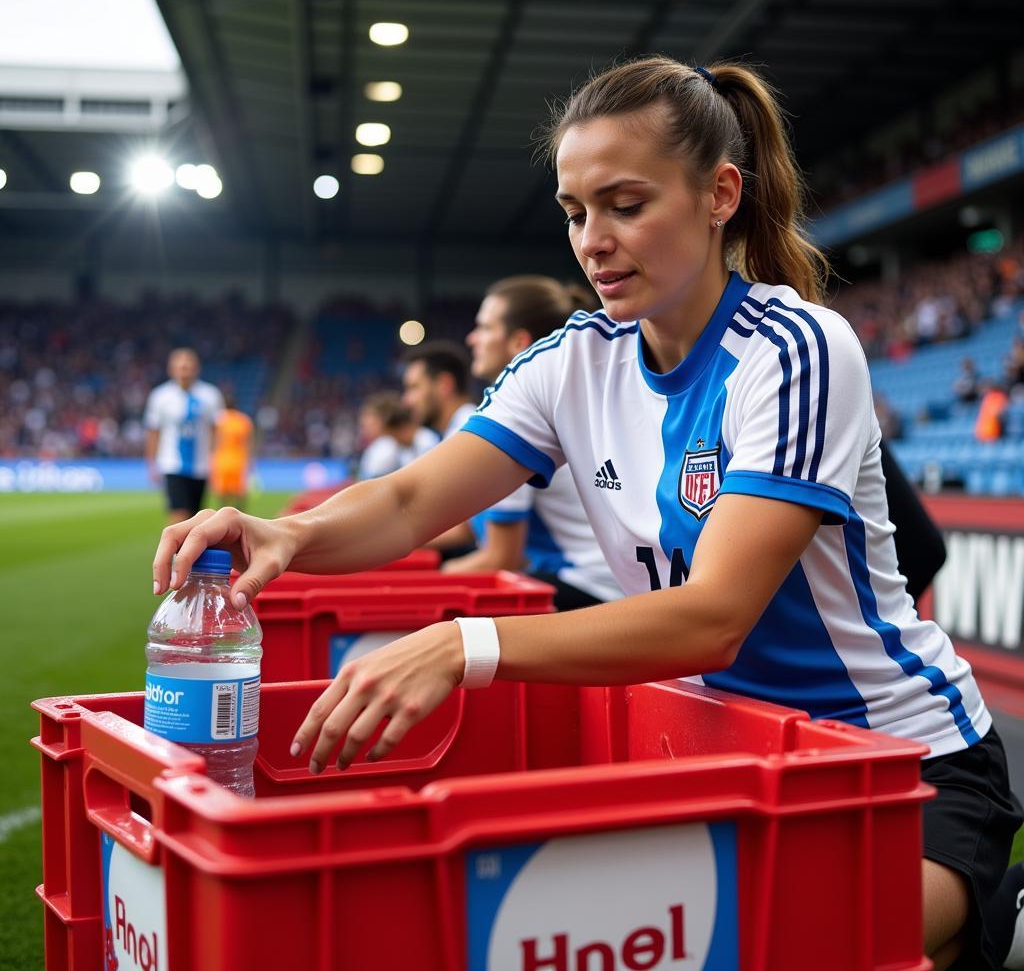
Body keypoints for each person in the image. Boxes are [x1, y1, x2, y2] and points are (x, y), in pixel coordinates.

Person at [153, 57, 1020, 970]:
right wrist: (287, 534)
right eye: (574, 212)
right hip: (713, 754)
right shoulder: (574, 358)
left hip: (898, 771)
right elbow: (413, 497)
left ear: (720, 194)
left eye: (626, 205)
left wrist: (464, 645)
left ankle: (994, 915)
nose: (592, 241)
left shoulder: (799, 349)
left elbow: (716, 617)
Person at [446, 275, 623, 610]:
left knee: (454, 626)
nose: (472, 338)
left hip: (592, 587)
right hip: (607, 581)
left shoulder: (524, 417)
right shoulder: (565, 401)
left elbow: (502, 558)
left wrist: (434, 578)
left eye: (484, 328)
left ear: (518, 342)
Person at [401, 340, 478, 555]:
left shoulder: (469, 431)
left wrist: (383, 540)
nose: (407, 401)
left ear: (444, 384)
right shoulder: (457, 429)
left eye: (414, 387)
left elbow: (464, 531)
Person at [144, 348, 224, 524]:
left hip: (201, 466)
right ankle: (177, 552)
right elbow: (153, 431)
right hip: (172, 464)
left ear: (197, 368)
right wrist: (151, 464)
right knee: (179, 516)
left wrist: (216, 459)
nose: (184, 370)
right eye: (180, 366)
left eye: (188, 366)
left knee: (197, 519)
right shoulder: (160, 396)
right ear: (171, 369)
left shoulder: (210, 395)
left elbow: (216, 430)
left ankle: (190, 551)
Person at [356, 391, 437, 480]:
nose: (364, 431)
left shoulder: (426, 441)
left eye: (367, 425)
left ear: (384, 419)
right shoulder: (398, 447)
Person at [210, 393, 254, 511]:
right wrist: (250, 462)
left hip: (221, 461)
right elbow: (247, 443)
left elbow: (213, 441)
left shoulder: (219, 420)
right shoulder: (243, 420)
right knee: (240, 493)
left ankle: (222, 515)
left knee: (222, 494)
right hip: (238, 461)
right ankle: (242, 516)